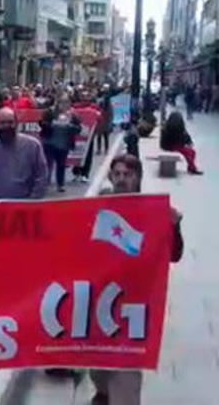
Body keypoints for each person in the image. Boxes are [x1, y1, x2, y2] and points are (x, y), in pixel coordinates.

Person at [89, 154, 183, 405]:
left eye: (127, 175)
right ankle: (102, 394)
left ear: (138, 177)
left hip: (132, 309)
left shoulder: (150, 210)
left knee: (125, 378)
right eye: (117, 174)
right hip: (98, 303)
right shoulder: (97, 205)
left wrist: (173, 226)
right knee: (97, 367)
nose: (121, 180)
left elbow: (173, 255)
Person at [0, 108, 48, 200]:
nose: (7, 126)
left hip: (24, 204)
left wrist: (32, 201)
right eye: (3, 122)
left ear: (16, 123)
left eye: (10, 122)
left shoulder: (33, 145)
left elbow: (41, 175)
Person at [40, 95, 82, 193]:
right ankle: (45, 182)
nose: (64, 105)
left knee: (61, 165)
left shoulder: (73, 114)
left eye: (66, 103)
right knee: (48, 163)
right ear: (58, 103)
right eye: (62, 102)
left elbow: (79, 129)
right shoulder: (50, 112)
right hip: (49, 142)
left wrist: (70, 126)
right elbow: (42, 124)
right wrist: (52, 124)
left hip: (63, 144)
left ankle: (60, 184)